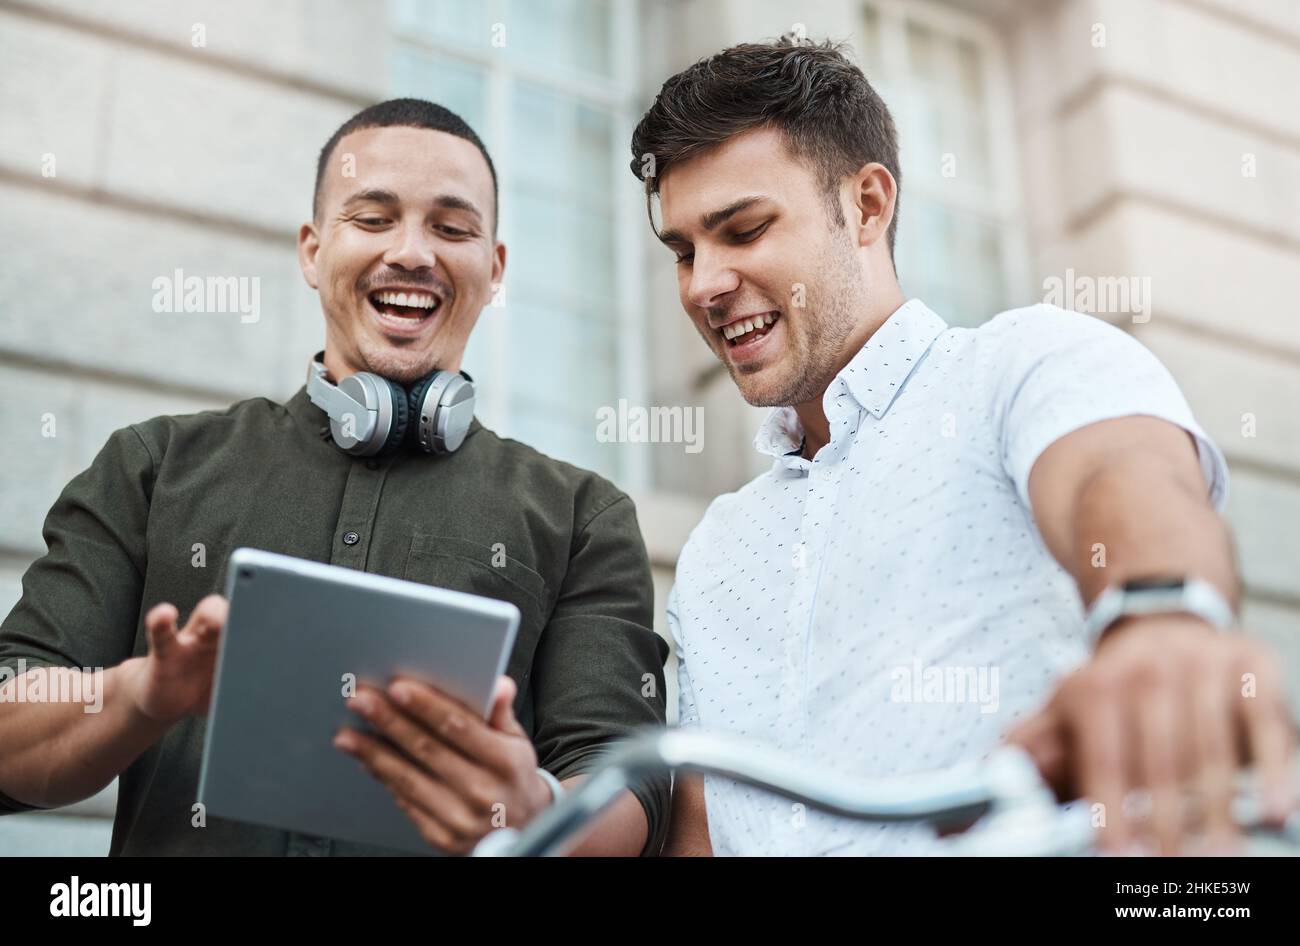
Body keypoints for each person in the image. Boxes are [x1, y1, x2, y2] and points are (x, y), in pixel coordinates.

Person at [629, 38, 1295, 856]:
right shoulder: (712, 552)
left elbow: (1123, 475)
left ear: (868, 206)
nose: (703, 284)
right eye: (684, 251)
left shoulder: (1021, 363)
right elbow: (702, 826)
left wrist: (1158, 612)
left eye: (744, 230)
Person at [0, 98, 668, 857]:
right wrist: (139, 697)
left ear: (495, 269)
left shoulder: (584, 516)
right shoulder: (151, 467)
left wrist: (535, 810)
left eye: (452, 228)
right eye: (374, 218)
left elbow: (633, 790)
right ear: (313, 251)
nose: (413, 252)